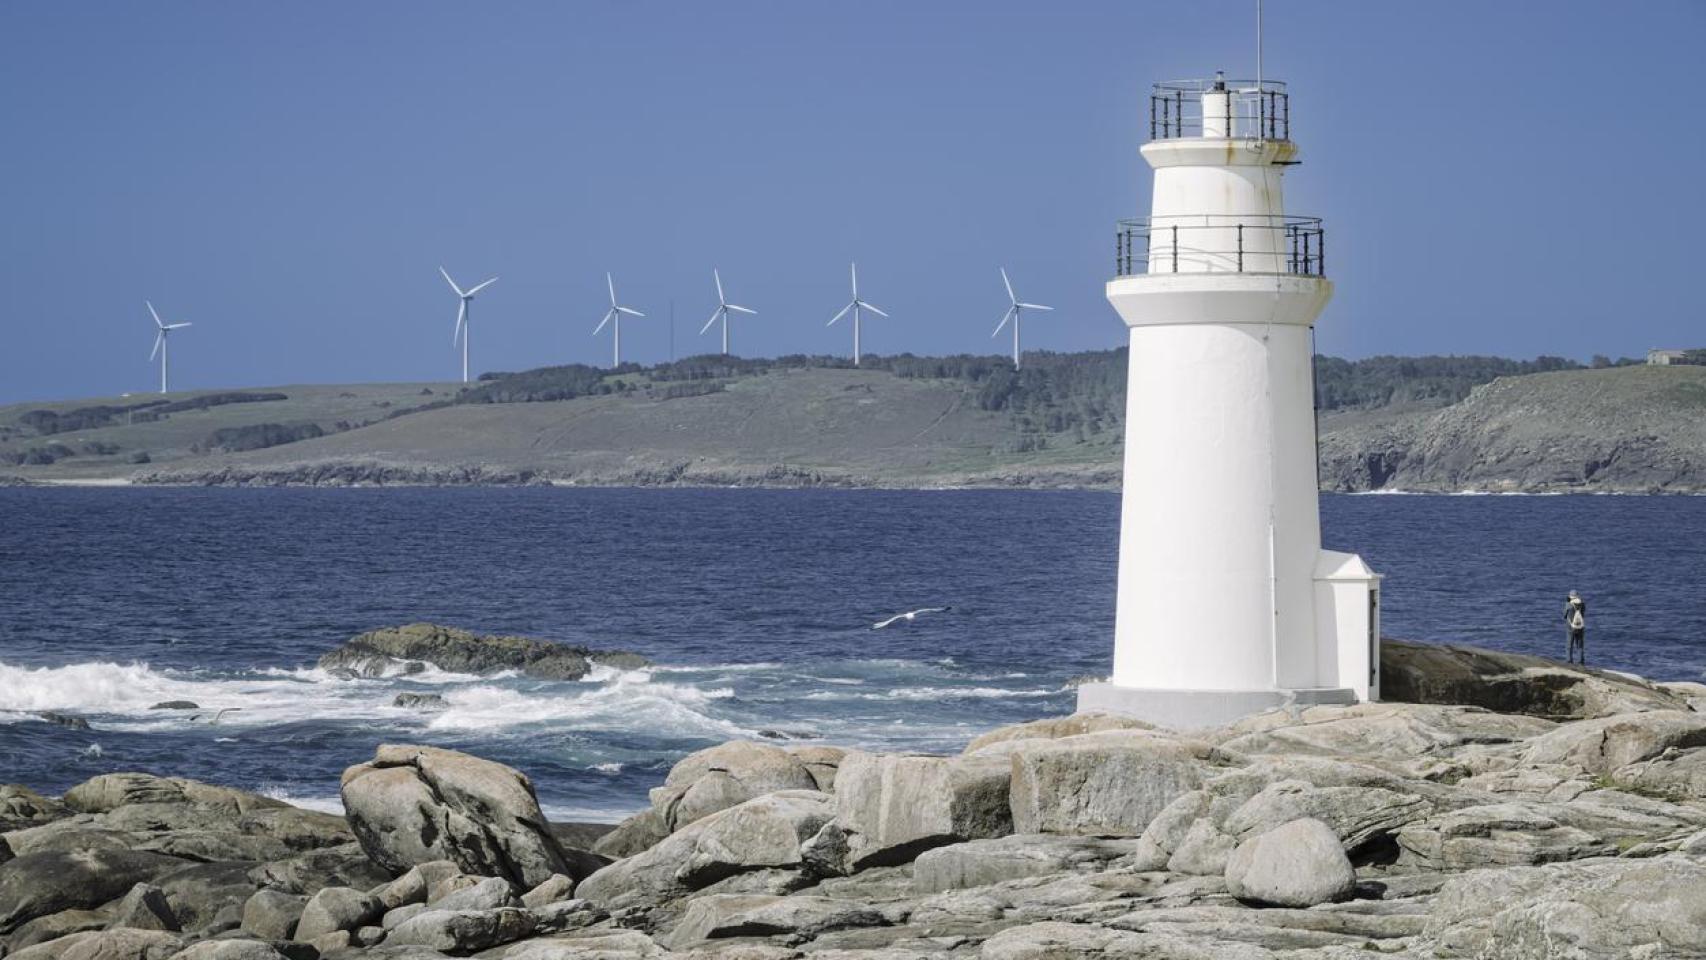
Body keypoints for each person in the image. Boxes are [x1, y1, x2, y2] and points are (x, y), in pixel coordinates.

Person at [1563, 590, 1587, 665]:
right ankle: (1580, 662)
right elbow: (1583, 613)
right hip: (1580, 626)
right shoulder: (1582, 604)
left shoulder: (1568, 605)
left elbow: (1564, 615)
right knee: (1580, 645)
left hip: (1570, 627)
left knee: (1569, 645)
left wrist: (1567, 602)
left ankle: (1569, 661)